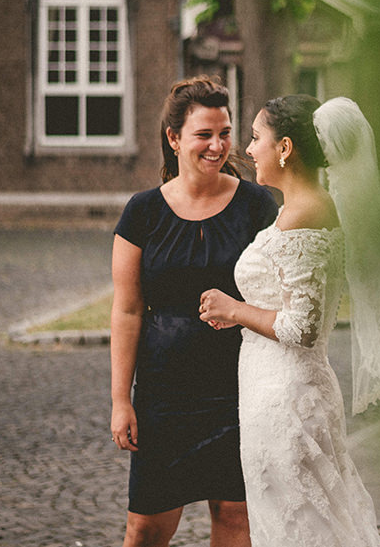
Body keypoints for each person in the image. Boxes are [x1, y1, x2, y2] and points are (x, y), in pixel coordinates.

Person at [198, 95, 380, 547]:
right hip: (273, 390)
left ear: (285, 147)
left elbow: (301, 327)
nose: (248, 150)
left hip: (289, 398)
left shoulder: (308, 213)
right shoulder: (295, 210)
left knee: (304, 528)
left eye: (255, 137)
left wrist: (235, 310)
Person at [110, 77, 278, 547]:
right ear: (174, 138)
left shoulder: (257, 205)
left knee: (234, 515)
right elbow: (126, 310)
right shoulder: (142, 212)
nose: (218, 145)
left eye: (224, 132)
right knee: (145, 527)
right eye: (204, 134)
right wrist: (121, 399)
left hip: (238, 387)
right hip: (164, 393)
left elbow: (280, 295)